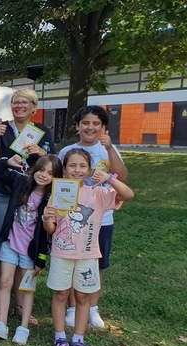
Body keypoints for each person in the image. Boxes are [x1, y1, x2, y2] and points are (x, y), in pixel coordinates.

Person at [43, 148, 133, 346]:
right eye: (72, 166)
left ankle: (79, 339)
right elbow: (51, 229)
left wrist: (109, 178)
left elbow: (128, 194)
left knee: (83, 297)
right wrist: (47, 218)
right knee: (60, 295)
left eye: (82, 166)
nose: (77, 170)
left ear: (90, 169)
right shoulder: (59, 192)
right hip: (62, 253)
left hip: (88, 254)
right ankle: (60, 337)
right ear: (64, 169)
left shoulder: (98, 193)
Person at [0, 88, 55, 327]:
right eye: (15, 102)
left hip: (31, 199)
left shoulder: (42, 132)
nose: (20, 106)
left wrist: (42, 153)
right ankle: (0, 305)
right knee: (2, 249)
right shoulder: (1, 128)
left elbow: (54, 165)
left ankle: (22, 306)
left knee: (26, 250)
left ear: (34, 107)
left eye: (25, 102)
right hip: (3, 195)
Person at [57, 106, 128, 329]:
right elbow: (58, 181)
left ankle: (93, 308)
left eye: (96, 124)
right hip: (72, 218)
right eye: (85, 123)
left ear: (103, 127)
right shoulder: (67, 150)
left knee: (97, 263)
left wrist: (110, 150)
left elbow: (123, 176)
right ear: (77, 126)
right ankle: (71, 308)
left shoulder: (109, 148)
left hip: (101, 218)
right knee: (71, 260)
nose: (90, 127)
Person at [0, 154, 63, 345]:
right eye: (42, 169)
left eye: (50, 173)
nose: (44, 175)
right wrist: (7, 162)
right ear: (35, 169)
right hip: (10, 243)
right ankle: (2, 324)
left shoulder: (52, 199)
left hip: (31, 251)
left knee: (27, 288)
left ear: (56, 177)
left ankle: (23, 328)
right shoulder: (21, 182)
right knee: (4, 281)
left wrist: (41, 260)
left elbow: (47, 234)